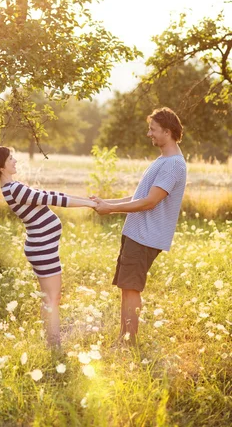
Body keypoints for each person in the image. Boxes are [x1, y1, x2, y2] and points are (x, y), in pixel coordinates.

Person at [0, 146, 98, 348]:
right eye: (11, 158)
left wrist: (87, 201)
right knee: (52, 298)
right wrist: (90, 205)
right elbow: (53, 199)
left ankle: (51, 341)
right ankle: (55, 345)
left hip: (41, 247)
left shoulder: (12, 187)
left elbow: (48, 193)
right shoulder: (14, 189)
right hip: (42, 247)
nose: (15, 161)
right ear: (1, 167)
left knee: (50, 297)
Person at [92, 107, 187, 345]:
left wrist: (110, 209)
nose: (149, 134)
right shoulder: (163, 160)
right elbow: (138, 196)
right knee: (127, 288)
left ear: (167, 131)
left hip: (145, 236)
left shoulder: (173, 164)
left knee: (132, 289)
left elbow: (149, 202)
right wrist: (106, 203)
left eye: (153, 130)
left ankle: (128, 343)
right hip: (137, 234)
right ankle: (123, 339)